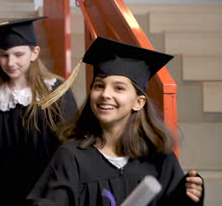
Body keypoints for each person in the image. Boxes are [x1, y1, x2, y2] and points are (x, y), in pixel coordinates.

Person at [27, 36, 204, 206]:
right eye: (99, 86)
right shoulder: (71, 157)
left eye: (119, 88)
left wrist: (189, 197)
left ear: (138, 102)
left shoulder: (160, 159)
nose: (105, 94)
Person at [0, 17, 78, 206]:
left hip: (48, 187)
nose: (10, 62)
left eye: (18, 54)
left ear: (34, 53)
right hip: (5, 190)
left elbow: (71, 140)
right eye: (4, 55)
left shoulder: (55, 89)